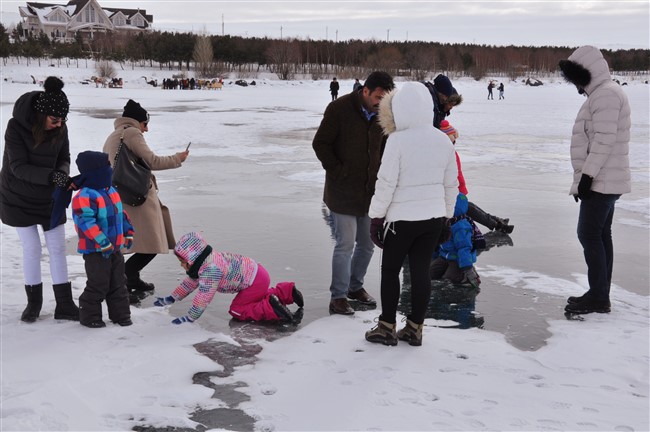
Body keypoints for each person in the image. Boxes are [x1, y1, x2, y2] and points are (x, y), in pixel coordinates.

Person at [364, 82, 457, 347]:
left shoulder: (397, 140)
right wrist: (447, 218)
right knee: (420, 272)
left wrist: (376, 217)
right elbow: (451, 185)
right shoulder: (442, 140)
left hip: (401, 221)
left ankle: (387, 326)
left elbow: (386, 183)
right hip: (432, 219)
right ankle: (415, 328)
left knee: (391, 271)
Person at [312, 71, 395, 315]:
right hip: (342, 192)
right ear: (366, 90)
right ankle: (338, 297)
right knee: (345, 244)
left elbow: (388, 148)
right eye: (378, 96)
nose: (381, 102)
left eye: (386, 98)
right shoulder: (338, 109)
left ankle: (354, 287)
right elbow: (320, 144)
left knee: (367, 245)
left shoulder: (385, 113)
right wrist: (338, 171)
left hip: (371, 193)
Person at [0, 76, 80, 323]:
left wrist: (63, 174)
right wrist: (52, 177)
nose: (59, 125)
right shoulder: (16, 127)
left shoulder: (60, 127)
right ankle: (33, 304)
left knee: (56, 248)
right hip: (17, 196)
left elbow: (64, 156)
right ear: (40, 115)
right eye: (55, 120)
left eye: (63, 120)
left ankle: (65, 305)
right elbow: (18, 167)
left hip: (49, 198)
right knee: (33, 248)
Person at [559, 46, 631, 314]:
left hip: (602, 180)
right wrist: (584, 178)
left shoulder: (606, 95)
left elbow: (603, 139)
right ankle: (599, 293)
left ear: (587, 72)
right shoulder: (602, 93)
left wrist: (586, 178)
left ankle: (599, 296)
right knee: (600, 234)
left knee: (588, 233)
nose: (576, 85)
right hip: (604, 178)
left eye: (577, 79)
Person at [103, 99, 189, 298]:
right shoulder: (131, 133)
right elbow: (152, 161)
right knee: (152, 242)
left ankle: (129, 278)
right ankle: (123, 279)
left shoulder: (114, 134)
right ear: (137, 122)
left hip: (123, 194)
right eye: (145, 124)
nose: (146, 129)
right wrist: (178, 158)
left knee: (137, 241)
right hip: (136, 196)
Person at [153, 231, 304, 324]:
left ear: (193, 259)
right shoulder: (206, 261)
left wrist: (190, 318)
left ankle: (271, 308)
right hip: (258, 274)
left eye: (182, 262)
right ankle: (287, 292)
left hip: (253, 281)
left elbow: (203, 298)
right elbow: (189, 284)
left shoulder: (210, 271)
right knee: (256, 297)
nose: (181, 265)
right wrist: (171, 298)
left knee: (238, 310)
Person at [71, 151, 134, 328]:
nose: (110, 169)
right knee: (98, 284)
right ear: (95, 171)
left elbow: (121, 214)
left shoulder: (111, 190)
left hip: (114, 248)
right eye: (106, 166)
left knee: (119, 283)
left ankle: (121, 315)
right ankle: (89, 316)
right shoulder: (84, 196)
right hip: (95, 251)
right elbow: (85, 223)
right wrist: (102, 241)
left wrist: (128, 232)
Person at [439, 120, 513, 234]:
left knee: (469, 207)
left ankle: (495, 220)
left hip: (455, 187)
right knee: (469, 208)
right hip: (451, 188)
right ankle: (496, 224)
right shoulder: (445, 153)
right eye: (453, 139)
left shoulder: (449, 151)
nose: (454, 141)